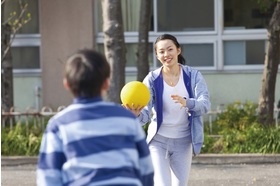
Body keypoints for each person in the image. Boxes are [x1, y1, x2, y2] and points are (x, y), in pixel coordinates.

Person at [36, 49, 154, 186]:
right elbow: (146, 167)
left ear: (66, 84)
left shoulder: (58, 125)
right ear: (106, 83)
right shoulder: (128, 120)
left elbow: (49, 176)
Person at [125, 34, 211, 186]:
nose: (166, 54)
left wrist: (187, 103)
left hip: (183, 142)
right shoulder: (151, 79)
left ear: (178, 50)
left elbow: (205, 105)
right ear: (157, 56)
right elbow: (145, 114)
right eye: (162, 51)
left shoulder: (193, 76)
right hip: (158, 141)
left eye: (170, 49)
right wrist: (136, 115)